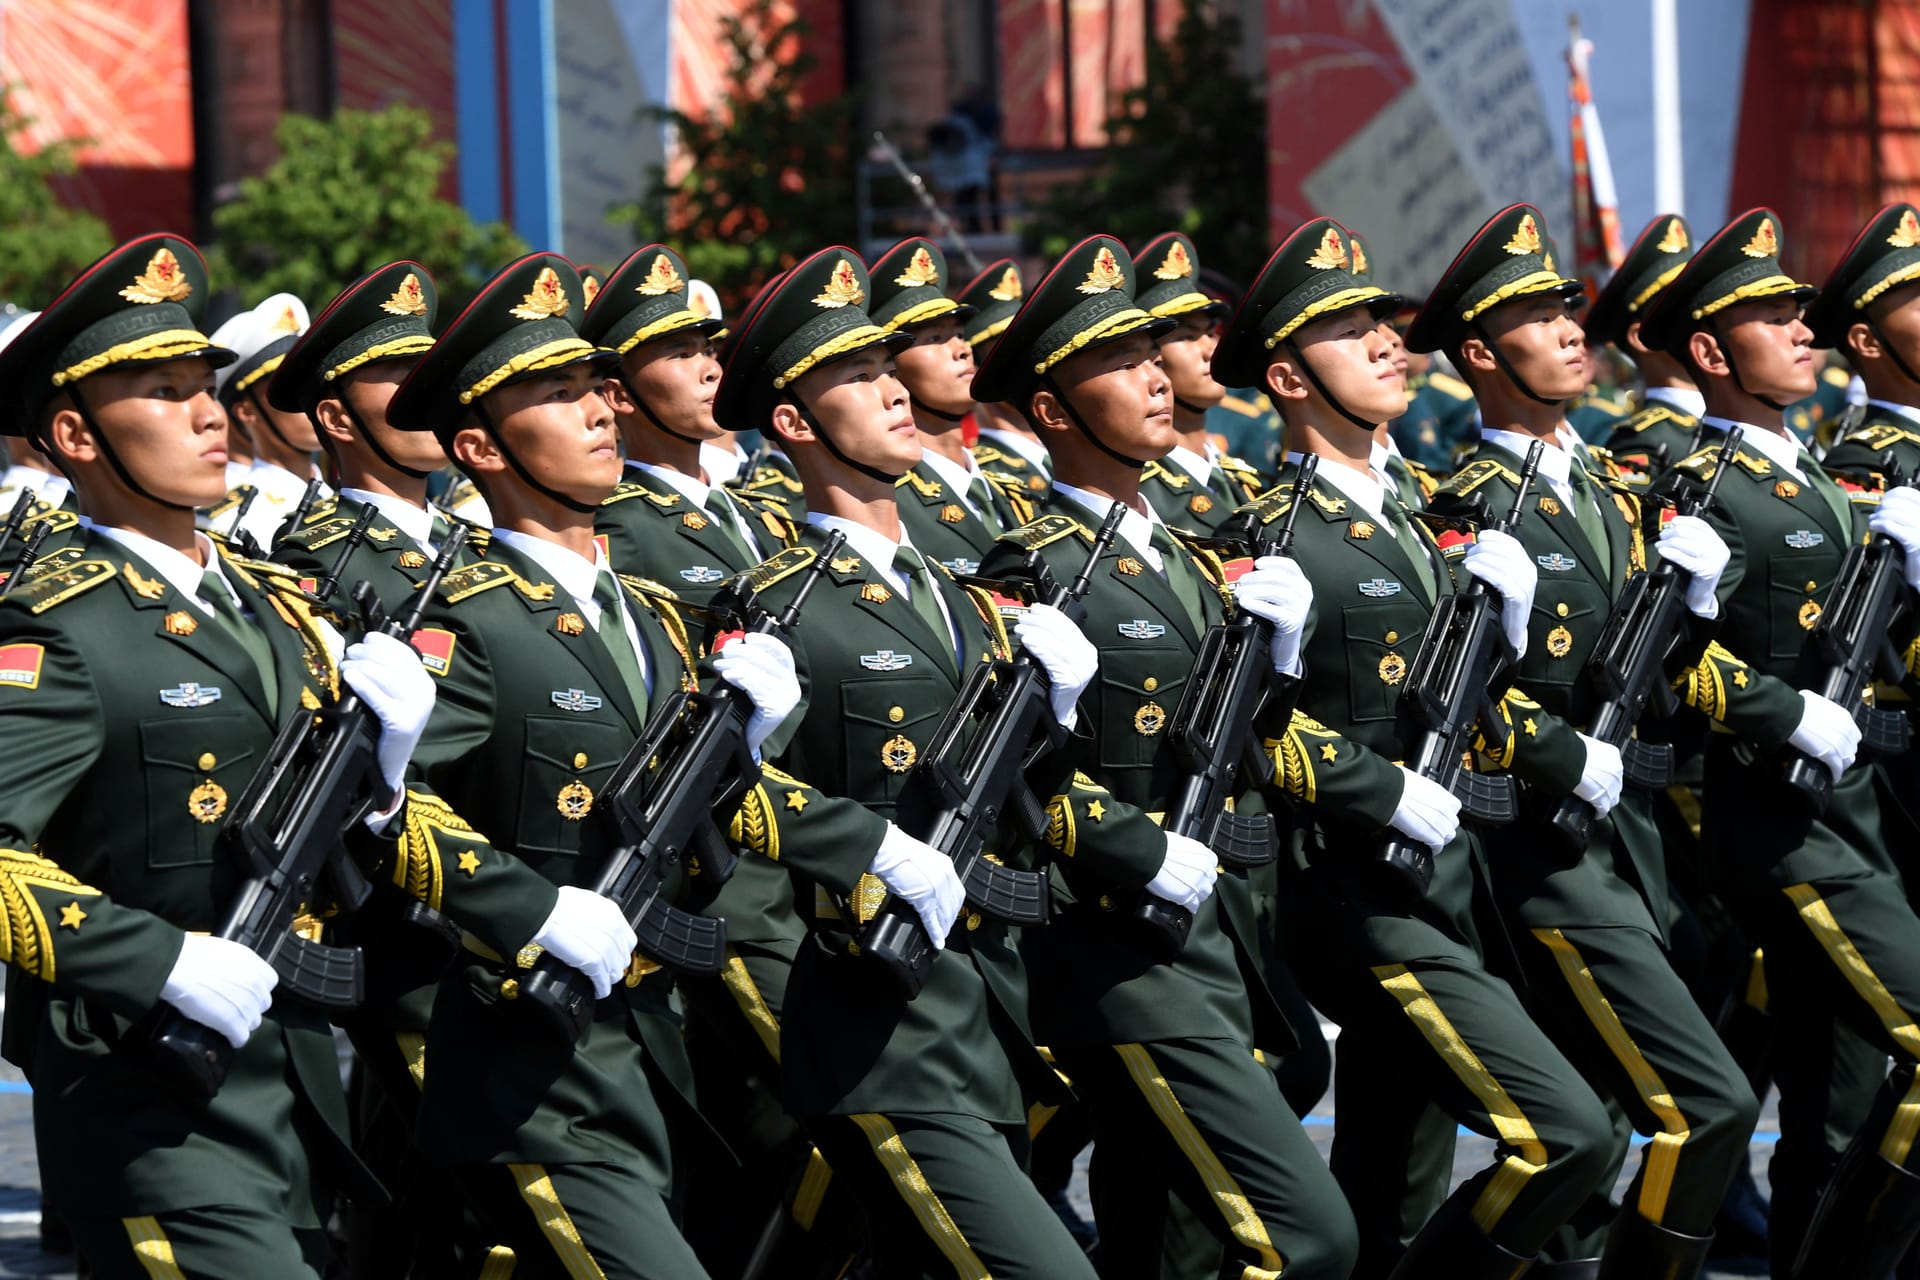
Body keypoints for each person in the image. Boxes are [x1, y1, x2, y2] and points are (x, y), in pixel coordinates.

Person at [0, 233, 433, 1274]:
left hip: (292, 1095)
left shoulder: (274, 602)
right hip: (152, 1103)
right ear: (76, 431)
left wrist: (386, 779)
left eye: (206, 385)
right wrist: (167, 960)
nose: (209, 413)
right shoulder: (57, 624)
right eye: (163, 390)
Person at [382, 252, 809, 1276]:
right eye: (556, 395)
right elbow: (386, 812)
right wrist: (534, 909)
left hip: (651, 1046)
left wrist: (750, 747)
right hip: (535, 1069)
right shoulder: (467, 621)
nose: (599, 411)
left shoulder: (653, 619)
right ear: (481, 444)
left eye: (594, 387)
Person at [1216, 216, 1615, 1278]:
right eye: (1351, 332)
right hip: (1362, 896)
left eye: (1383, 323)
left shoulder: (1416, 506)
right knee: (1571, 1133)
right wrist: (1377, 786)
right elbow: (1241, 731)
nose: (1391, 343)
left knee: (1387, 1185)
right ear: (1289, 378)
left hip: (1452, 885)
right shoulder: (1270, 531)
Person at [972, 233, 1361, 1280]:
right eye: (1119, 359)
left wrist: (1278, 659)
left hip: (1215, 936)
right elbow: (1007, 776)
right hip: (1117, 953)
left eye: (1157, 350)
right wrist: (1135, 848)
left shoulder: (1187, 558)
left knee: (1168, 1239)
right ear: (1052, 409)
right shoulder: (1033, 562)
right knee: (1311, 1237)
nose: (1155, 374)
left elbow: (1238, 734)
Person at [714, 244, 1104, 1278]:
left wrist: (1057, 711)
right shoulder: (778, 603)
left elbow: (1021, 793)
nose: (893, 387)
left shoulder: (959, 594)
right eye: (854, 374)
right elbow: (732, 794)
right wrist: (874, 848)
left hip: (984, 1009)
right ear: (793, 424)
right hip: (881, 1027)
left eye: (890, 363)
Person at [1421, 203, 1758, 1278]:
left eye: (1566, 306)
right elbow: (1455, 693)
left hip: (1634, 849)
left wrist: (1702, 598)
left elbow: (1658, 665)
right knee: (1707, 1108)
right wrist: (1569, 756)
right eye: (1531, 314)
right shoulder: (1468, 506)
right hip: (1544, 856)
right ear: (1479, 354)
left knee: (1597, 1127)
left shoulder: (1612, 490)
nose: (1570, 326)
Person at [1642, 207, 1920, 1276]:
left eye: (1799, 312)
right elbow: (1669, 666)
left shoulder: (1806, 473)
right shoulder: (1706, 488)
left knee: (1836, 1092)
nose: (1802, 330)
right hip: (1783, 832)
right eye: (1771, 317)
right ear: (1711, 354)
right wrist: (1786, 711)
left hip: (1852, 825)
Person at [265, 258, 477, 1275]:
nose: (425, 388)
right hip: (404, 928)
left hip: (508, 923)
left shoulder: (480, 539)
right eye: (394, 375)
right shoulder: (312, 560)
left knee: (415, 1198)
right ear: (338, 417)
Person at [582, 243, 795, 604]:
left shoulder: (758, 515)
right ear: (619, 397)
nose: (712, 370)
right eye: (682, 354)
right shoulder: (619, 525)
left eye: (708, 352)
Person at [868, 237, 1028, 575]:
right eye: (935, 339)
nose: (962, 349)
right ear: (891, 367)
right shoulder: (888, 500)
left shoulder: (1008, 489)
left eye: (959, 334)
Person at [1131, 233, 1266, 536]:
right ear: (1148, 358)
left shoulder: (1241, 480)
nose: (1211, 349)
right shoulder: (1139, 490)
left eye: (1211, 332)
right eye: (1188, 337)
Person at [207, 294, 327, 551]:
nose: (309, 399)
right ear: (246, 412)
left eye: (311, 382)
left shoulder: (338, 498)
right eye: (287, 388)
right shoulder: (237, 518)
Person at [1591, 215, 1706, 477]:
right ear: (1640, 338)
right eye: (1680, 307)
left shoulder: (1734, 418)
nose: (1704, 314)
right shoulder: (1643, 443)